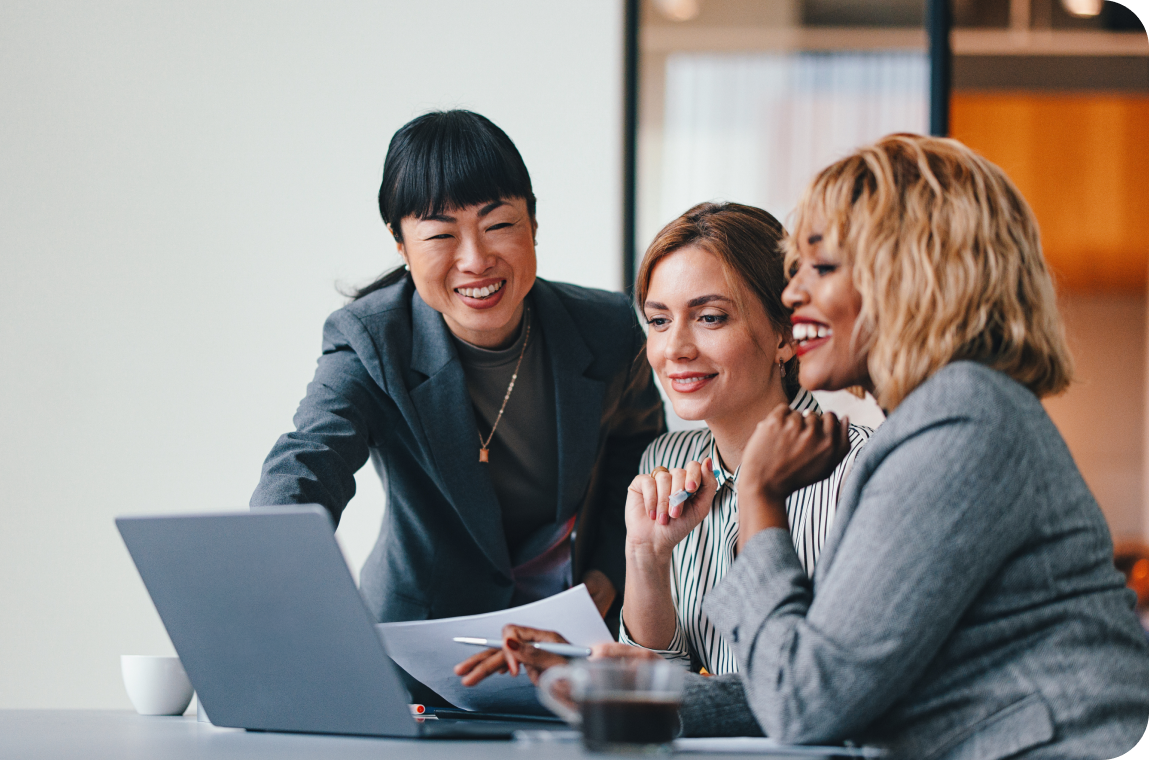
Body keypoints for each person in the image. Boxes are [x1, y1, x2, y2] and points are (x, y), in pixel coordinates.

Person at [690, 134, 1149, 756]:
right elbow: (824, 678)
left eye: (821, 267)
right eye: (795, 268)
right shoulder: (948, 416)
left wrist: (758, 496)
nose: (792, 293)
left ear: (912, 273)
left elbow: (805, 700)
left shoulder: (962, 423)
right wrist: (624, 690)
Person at [249, 111, 665, 695]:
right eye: (441, 235)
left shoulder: (609, 330)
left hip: (570, 646)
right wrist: (266, 574)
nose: (474, 259)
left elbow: (638, 455)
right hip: (421, 653)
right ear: (401, 245)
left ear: (534, 224)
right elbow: (311, 458)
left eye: (498, 225)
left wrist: (604, 574)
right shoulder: (371, 338)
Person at [454, 202, 870, 687]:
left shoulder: (860, 471)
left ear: (783, 333)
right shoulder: (664, 461)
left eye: (711, 317)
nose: (675, 349)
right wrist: (647, 559)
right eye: (658, 321)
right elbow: (658, 685)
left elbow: (820, 689)